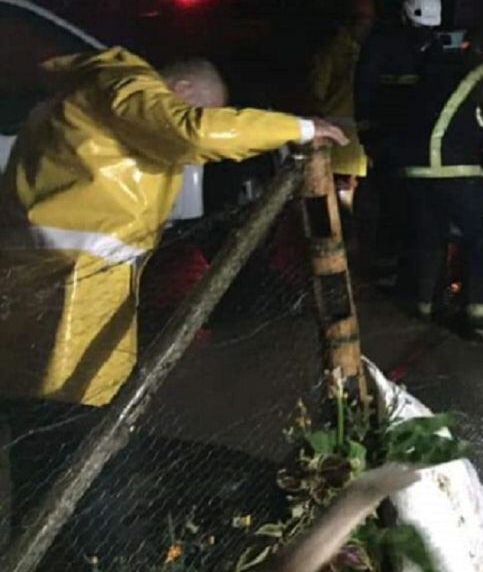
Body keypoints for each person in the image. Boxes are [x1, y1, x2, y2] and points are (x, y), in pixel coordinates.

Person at [0, 47, 347, 408]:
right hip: (79, 274)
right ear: (182, 89)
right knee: (75, 402)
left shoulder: (88, 92)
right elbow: (194, 133)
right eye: (202, 109)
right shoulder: (132, 90)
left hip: (40, 264)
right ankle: (75, 465)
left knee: (22, 389)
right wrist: (300, 127)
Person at [400, 36, 483, 349]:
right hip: (449, 167)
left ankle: (423, 307)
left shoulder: (437, 71)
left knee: (430, 235)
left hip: (411, 169)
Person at [353, 0, 443, 277]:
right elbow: (364, 92)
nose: (424, 35)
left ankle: (411, 265)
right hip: (388, 136)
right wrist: (369, 138)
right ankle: (386, 266)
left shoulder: (434, 48)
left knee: (419, 204)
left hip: (420, 139)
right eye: (420, 28)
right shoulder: (381, 45)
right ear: (405, 18)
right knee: (390, 201)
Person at [305, 0, 377, 213]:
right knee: (342, 211)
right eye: (366, 21)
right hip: (339, 150)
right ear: (351, 21)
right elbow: (314, 96)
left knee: (357, 210)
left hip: (358, 151)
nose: (370, 27)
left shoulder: (366, 51)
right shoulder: (333, 52)